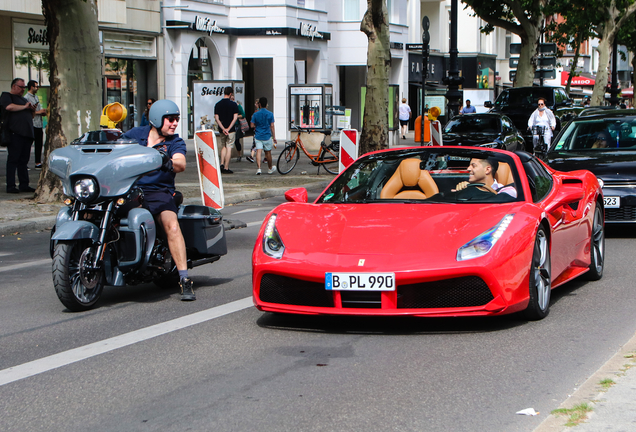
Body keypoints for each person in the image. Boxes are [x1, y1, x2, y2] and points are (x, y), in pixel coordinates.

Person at [122, 100, 195, 301]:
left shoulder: (175, 142)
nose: (174, 123)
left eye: (177, 120)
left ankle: (184, 279)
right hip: (129, 189)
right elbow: (115, 145)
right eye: (170, 119)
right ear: (156, 118)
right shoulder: (136, 135)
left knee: (171, 225)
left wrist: (167, 160)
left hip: (159, 191)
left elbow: (180, 163)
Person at [1, 78, 35, 194]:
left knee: (23, 161)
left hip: (27, 134)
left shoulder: (23, 99)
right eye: (21, 87)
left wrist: (31, 109)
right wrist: (25, 107)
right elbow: (9, 107)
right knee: (13, 160)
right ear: (14, 86)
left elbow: (31, 116)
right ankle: (10, 185)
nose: (22, 89)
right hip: (15, 133)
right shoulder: (7, 96)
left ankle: (24, 184)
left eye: (24, 87)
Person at [214, 86, 239, 174]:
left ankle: (221, 163)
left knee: (223, 146)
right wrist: (228, 128)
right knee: (229, 147)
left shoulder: (218, 104)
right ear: (231, 94)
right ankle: (226, 167)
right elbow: (235, 118)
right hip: (231, 130)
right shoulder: (233, 104)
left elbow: (217, 118)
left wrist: (223, 128)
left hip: (222, 130)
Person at [250, 96, 277, 175]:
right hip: (267, 136)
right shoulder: (270, 114)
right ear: (266, 104)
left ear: (260, 104)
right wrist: (274, 137)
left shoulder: (255, 114)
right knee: (268, 152)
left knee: (258, 151)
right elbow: (272, 126)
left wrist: (257, 125)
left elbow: (251, 125)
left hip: (258, 135)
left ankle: (259, 169)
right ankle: (270, 168)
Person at [24, 80, 47, 170]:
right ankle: (24, 163)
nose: (37, 88)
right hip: (31, 124)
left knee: (39, 144)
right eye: (36, 86)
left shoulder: (36, 97)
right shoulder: (26, 98)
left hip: (39, 123)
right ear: (31, 87)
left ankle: (38, 162)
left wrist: (42, 113)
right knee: (28, 144)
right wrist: (39, 112)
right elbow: (27, 112)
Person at [246, 98, 260, 164]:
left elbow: (252, 123)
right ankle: (266, 158)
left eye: (256, 103)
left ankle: (252, 156)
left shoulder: (256, 112)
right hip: (262, 131)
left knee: (255, 144)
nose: (255, 104)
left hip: (257, 130)